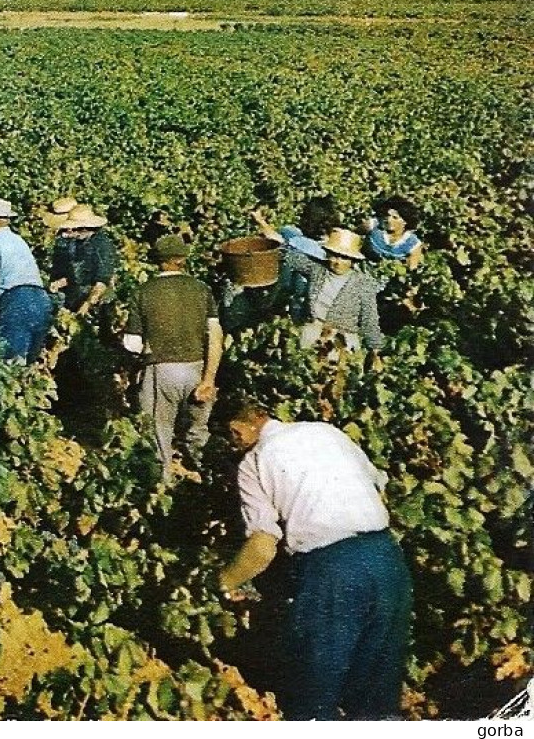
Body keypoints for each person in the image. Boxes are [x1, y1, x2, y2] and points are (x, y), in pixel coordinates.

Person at [217, 401, 412, 720]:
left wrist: (222, 583)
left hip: (332, 571)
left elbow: (263, 546)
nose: (232, 444)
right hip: (387, 558)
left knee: (313, 694)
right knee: (377, 698)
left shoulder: (253, 462)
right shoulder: (326, 432)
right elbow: (378, 487)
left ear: (238, 429)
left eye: (230, 436)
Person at [121, 234, 222, 479]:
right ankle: (214, 480)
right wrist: (209, 379)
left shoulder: (143, 292)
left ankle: (162, 486)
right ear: (182, 259)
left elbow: (132, 344)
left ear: (157, 261)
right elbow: (215, 336)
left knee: (159, 432)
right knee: (198, 431)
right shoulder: (201, 289)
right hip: (198, 369)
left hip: (161, 372)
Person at [0, 196, 51, 364]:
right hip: (42, 302)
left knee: (8, 365)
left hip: (17, 303)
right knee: (26, 366)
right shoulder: (18, 240)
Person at [287, 228, 384, 356]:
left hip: (342, 338)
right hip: (313, 329)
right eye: (334, 256)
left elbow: (369, 319)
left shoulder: (364, 284)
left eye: (344, 258)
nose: (338, 262)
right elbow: (290, 257)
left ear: (352, 260)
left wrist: (375, 351)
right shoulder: (318, 269)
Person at [47, 203, 120, 318]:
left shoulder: (102, 245)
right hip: (76, 295)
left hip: (97, 301)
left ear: (85, 228)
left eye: (75, 228)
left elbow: (102, 282)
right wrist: (59, 283)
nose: (71, 231)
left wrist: (87, 305)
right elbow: (77, 273)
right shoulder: (78, 242)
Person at [365, 195, 424, 268]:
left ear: (405, 222)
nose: (389, 220)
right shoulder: (373, 226)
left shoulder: (413, 244)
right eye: (387, 215)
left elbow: (412, 268)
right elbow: (353, 236)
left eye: (395, 218)